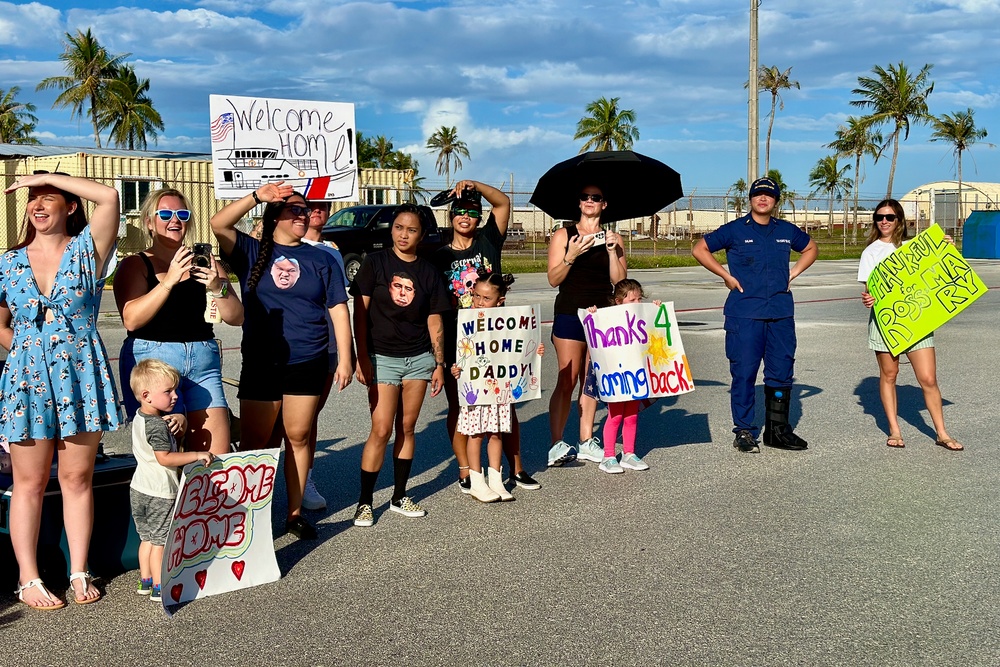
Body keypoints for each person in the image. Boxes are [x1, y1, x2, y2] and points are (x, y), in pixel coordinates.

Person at [1, 172, 125, 608]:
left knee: (76, 479)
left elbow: (109, 196)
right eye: (32, 198)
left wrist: (45, 174)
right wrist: (27, 354)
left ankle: (78, 570)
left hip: (79, 379)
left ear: (70, 206)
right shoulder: (8, 262)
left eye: (47, 197)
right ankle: (28, 578)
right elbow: (0, 324)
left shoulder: (87, 251)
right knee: (29, 482)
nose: (36, 203)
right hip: (26, 384)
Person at [210, 182, 354, 540]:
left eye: (306, 211)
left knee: (299, 435)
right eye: (295, 210)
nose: (303, 215)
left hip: (309, 358)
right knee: (257, 443)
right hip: (262, 360)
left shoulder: (321, 258)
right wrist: (258, 196)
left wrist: (345, 358)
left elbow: (338, 308)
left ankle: (293, 514)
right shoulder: (251, 250)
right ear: (276, 216)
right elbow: (219, 223)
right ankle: (249, 516)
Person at [692, 176, 818, 453]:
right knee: (745, 373)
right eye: (758, 194)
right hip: (745, 314)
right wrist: (725, 275)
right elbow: (700, 249)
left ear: (775, 201)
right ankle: (745, 431)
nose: (763, 199)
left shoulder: (785, 230)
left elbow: (811, 248)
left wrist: (793, 272)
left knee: (782, 372)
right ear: (750, 199)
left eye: (769, 195)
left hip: (781, 313)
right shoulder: (735, 230)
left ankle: (777, 430)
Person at [114, 188, 243, 455]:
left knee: (214, 454)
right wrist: (170, 279)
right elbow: (132, 320)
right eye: (165, 214)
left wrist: (217, 286)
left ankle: (207, 498)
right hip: (153, 361)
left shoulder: (206, 262)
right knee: (166, 452)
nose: (175, 220)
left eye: (182, 214)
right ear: (149, 222)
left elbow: (236, 316)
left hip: (202, 361)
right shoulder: (137, 264)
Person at [432, 180, 539, 492]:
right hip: (459, 341)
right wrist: (439, 356)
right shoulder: (439, 257)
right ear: (451, 216)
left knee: (505, 404)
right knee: (461, 407)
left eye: (472, 212)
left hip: (497, 339)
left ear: (479, 218)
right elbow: (436, 309)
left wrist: (473, 185)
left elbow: (503, 203)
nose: (466, 216)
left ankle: (515, 467)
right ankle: (466, 469)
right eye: (460, 211)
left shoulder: (489, 242)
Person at [351, 203, 450, 527]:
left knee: (407, 429)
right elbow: (360, 313)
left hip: (419, 359)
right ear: (391, 229)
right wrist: (361, 356)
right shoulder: (375, 263)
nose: (404, 234)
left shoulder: (429, 272)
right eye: (399, 227)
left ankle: (399, 495)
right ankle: (364, 502)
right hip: (382, 359)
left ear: (422, 235)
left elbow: (435, 320)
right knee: (380, 429)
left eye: (411, 230)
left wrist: (438, 363)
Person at [858, 199, 963, 451]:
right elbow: (870, 290)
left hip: (918, 320)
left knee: (928, 378)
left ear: (899, 221)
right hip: (887, 322)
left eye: (890, 217)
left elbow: (943, 272)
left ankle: (942, 432)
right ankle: (894, 429)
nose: (884, 221)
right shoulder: (870, 252)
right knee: (890, 375)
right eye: (879, 217)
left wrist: (947, 248)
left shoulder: (915, 247)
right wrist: (868, 298)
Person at [546, 185, 627, 467]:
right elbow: (553, 279)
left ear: (605, 204)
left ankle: (585, 440)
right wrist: (571, 254)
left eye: (596, 198)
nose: (589, 201)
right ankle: (556, 443)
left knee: (591, 380)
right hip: (570, 312)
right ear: (578, 203)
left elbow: (619, 281)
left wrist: (613, 251)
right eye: (585, 197)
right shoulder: (563, 234)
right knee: (567, 379)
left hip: (602, 316)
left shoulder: (613, 238)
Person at [451, 273, 545, 502]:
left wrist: (535, 352)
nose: (480, 302)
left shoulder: (510, 322)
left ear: (500, 300)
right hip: (475, 388)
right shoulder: (467, 320)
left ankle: (495, 478)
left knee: (495, 433)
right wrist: (457, 369)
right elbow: (463, 352)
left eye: (486, 298)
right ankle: (477, 480)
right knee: (476, 434)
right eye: (476, 296)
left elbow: (520, 347)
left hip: (500, 389)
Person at [128, 359, 214, 602]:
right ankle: (159, 585)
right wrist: (197, 454)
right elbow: (165, 458)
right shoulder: (157, 426)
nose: (175, 396)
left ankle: (145, 580)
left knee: (146, 538)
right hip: (159, 491)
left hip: (139, 488)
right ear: (147, 395)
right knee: (161, 542)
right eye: (168, 392)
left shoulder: (140, 417)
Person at [587, 278, 658, 474]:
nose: (637, 304)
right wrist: (593, 314)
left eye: (639, 299)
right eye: (632, 300)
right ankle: (608, 456)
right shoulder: (608, 317)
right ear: (618, 301)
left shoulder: (642, 316)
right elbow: (594, 327)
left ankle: (629, 453)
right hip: (616, 376)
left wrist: (655, 310)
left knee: (632, 416)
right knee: (615, 415)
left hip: (635, 375)